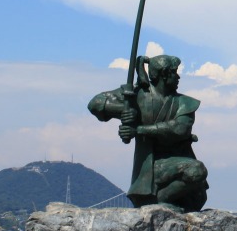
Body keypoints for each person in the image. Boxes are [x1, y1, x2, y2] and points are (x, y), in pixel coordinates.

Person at [87, 55, 208, 212]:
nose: (178, 77)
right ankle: (159, 201)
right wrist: (126, 110)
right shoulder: (138, 94)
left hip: (175, 162)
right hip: (150, 166)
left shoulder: (184, 102)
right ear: (163, 75)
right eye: (174, 72)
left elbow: (179, 129)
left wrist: (137, 129)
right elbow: (95, 103)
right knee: (197, 170)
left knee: (198, 196)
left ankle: (159, 200)